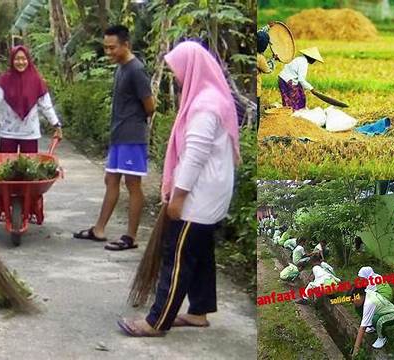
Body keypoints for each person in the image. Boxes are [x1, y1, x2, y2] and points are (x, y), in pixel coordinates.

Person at [116, 41, 239, 337]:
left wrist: (178, 196)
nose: (176, 77)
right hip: (213, 196)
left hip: (197, 198)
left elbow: (194, 155)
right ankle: (199, 311)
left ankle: (157, 321)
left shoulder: (205, 106)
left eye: (177, 70)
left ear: (192, 68)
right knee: (201, 254)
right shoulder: (215, 98)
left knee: (178, 258)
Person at [74, 25, 155, 251]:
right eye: (106, 48)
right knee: (110, 180)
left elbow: (150, 106)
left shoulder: (136, 70)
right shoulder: (120, 68)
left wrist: (132, 121)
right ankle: (99, 229)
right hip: (118, 135)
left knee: (132, 184)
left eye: (113, 48)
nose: (108, 52)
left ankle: (131, 237)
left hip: (132, 136)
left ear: (126, 45)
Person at [0, 45, 62, 154]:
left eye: (23, 59)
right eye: (17, 59)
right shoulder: (4, 80)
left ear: (28, 60)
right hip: (8, 133)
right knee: (6, 169)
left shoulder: (36, 81)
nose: (20, 62)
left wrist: (56, 125)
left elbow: (46, 106)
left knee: (29, 169)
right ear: (12, 60)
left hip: (30, 134)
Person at [351, 286, 394, 355]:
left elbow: (362, 328)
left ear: (361, 295)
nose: (353, 302)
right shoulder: (366, 293)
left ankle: (382, 337)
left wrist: (356, 349)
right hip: (378, 312)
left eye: (355, 299)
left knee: (376, 320)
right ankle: (372, 327)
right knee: (358, 308)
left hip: (390, 315)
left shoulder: (369, 302)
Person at [255, 29, 274, 130]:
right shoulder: (260, 58)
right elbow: (268, 70)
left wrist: (267, 27)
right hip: (256, 90)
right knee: (256, 114)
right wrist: (273, 59)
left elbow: (259, 32)